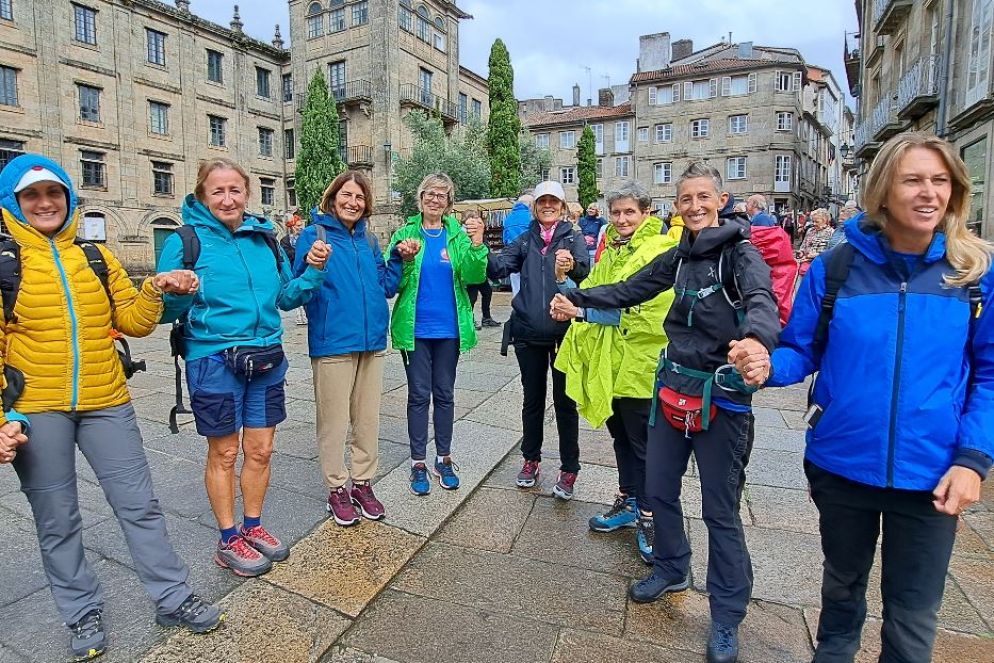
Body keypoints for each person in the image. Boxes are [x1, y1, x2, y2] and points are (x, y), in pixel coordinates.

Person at [734, 132, 994, 663]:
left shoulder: (974, 277)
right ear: (882, 190)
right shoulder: (837, 269)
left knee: (913, 616)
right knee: (842, 590)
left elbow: (989, 376)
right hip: (842, 462)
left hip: (934, 472)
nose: (929, 193)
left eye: (940, 181)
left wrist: (973, 460)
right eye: (914, 180)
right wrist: (763, 364)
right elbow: (800, 351)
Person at [551, 162, 780, 663]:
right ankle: (673, 567)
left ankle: (725, 614)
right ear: (676, 207)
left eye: (704, 197)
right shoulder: (680, 256)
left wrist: (759, 342)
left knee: (720, 510)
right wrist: (576, 296)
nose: (695, 206)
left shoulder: (740, 255)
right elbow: (631, 289)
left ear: (721, 200)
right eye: (685, 199)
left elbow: (763, 301)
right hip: (671, 389)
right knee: (656, 487)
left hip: (721, 398)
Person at [0, 154, 223, 661]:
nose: (44, 203)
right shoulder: (5, 263)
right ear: (13, 204)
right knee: (56, 517)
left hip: (107, 401)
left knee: (139, 505)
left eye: (53, 194)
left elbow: (135, 321)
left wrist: (158, 289)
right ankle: (81, 611)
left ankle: (172, 596)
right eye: (31, 196)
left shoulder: (96, 256)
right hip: (37, 409)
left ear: (69, 199)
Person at [159, 158, 329, 577]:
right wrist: (178, 293)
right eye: (217, 191)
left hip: (266, 356)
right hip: (213, 358)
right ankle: (228, 536)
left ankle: (253, 526)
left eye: (235, 190)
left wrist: (315, 271)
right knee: (225, 451)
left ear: (246, 193)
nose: (227, 198)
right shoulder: (185, 241)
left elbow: (287, 297)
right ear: (202, 195)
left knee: (261, 449)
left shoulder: (265, 239)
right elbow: (162, 308)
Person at [553, 181, 676, 564]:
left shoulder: (658, 249)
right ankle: (628, 500)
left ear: (646, 213)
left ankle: (651, 518)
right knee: (620, 437)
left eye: (630, 212)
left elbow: (641, 307)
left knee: (645, 445)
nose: (622, 219)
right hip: (613, 363)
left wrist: (582, 310)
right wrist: (565, 284)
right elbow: (595, 288)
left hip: (641, 364)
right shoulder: (614, 249)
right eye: (617, 213)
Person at [293, 170, 401, 526]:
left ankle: (362, 483)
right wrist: (312, 264)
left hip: (372, 341)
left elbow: (386, 285)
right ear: (333, 196)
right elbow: (297, 289)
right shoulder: (314, 235)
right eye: (347, 195)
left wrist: (399, 259)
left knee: (367, 419)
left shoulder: (369, 241)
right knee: (334, 422)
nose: (353, 202)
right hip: (333, 342)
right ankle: (337, 488)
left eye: (360, 198)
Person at [488, 180, 590, 498]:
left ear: (562, 207)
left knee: (565, 403)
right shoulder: (525, 239)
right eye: (542, 201)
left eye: (554, 202)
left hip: (564, 334)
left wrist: (572, 266)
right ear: (535, 207)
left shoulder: (572, 238)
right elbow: (499, 268)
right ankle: (531, 459)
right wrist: (479, 246)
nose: (548, 206)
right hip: (529, 333)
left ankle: (568, 468)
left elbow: (587, 276)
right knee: (532, 401)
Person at [388, 174, 489, 495]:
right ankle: (418, 462)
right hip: (415, 329)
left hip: (449, 330)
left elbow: (474, 276)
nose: (434, 199)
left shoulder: (457, 236)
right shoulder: (404, 234)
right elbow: (395, 283)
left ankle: (443, 458)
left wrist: (477, 245)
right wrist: (402, 258)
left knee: (444, 394)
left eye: (442, 196)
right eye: (429, 194)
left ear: (449, 203)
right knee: (419, 395)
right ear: (420, 198)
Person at [462, 209, 501, 329]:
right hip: (470, 273)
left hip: (480, 272)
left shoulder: (478, 232)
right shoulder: (463, 235)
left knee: (487, 292)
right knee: (471, 298)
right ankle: (469, 320)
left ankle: (486, 318)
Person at [502, 194, 534, 297]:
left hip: (512, 255)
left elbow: (505, 238)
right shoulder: (531, 217)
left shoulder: (508, 218)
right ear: (530, 205)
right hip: (529, 254)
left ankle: (517, 308)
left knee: (516, 285)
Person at [281, 216, 307, 325]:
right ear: (292, 227)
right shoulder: (285, 240)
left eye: (301, 225)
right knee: (296, 289)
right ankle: (299, 316)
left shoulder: (306, 237)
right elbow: (286, 255)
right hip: (292, 268)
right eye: (298, 226)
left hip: (304, 268)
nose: (300, 228)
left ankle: (305, 315)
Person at [797, 208, 835, 276]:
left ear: (825, 220)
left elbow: (831, 252)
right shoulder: (810, 231)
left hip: (820, 266)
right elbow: (803, 245)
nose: (814, 224)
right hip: (805, 266)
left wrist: (815, 255)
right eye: (813, 221)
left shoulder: (832, 233)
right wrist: (801, 252)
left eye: (817, 222)